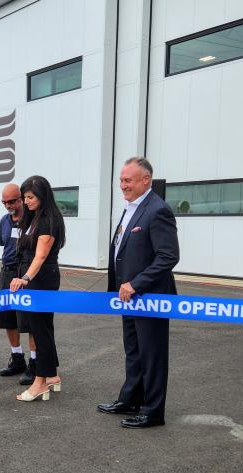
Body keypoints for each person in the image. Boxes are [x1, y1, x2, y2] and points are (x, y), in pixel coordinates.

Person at [97, 156, 179, 428]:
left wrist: (136, 283)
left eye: (128, 180)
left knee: (152, 355)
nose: (123, 185)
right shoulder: (131, 208)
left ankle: (153, 411)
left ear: (146, 180)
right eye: (121, 180)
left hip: (149, 297)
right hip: (128, 297)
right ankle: (130, 398)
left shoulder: (158, 210)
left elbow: (168, 256)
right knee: (133, 350)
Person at [9, 175, 65, 402]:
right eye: (25, 197)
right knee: (42, 327)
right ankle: (51, 375)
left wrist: (25, 278)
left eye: (30, 197)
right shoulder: (33, 218)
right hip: (36, 277)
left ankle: (40, 382)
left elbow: (41, 256)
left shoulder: (48, 220)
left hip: (41, 279)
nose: (26, 201)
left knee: (40, 330)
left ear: (43, 196)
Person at [0, 183, 37, 384]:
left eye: (12, 201)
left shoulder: (32, 220)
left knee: (29, 322)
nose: (8, 205)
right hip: (7, 274)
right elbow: (5, 246)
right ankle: (17, 358)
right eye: (4, 202)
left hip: (24, 275)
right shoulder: (4, 221)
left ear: (21, 199)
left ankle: (35, 363)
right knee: (8, 319)